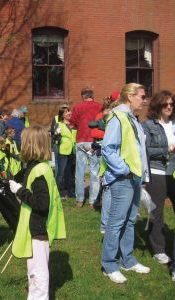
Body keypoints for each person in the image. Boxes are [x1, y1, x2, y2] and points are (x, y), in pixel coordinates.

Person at [8, 125, 66, 300]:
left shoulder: (40, 170)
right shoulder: (35, 166)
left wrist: (20, 191)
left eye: (23, 142)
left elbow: (41, 203)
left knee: (38, 272)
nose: (20, 146)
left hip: (38, 229)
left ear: (30, 145)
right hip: (34, 228)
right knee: (33, 270)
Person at [100, 83, 150, 284]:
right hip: (123, 179)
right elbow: (108, 148)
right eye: (142, 96)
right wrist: (124, 169)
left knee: (129, 221)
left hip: (134, 178)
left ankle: (127, 260)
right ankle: (109, 264)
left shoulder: (131, 119)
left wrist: (139, 174)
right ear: (130, 96)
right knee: (116, 222)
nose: (144, 99)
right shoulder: (118, 118)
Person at [142, 90, 175, 266]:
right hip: (157, 173)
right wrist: (166, 150)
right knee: (157, 213)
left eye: (171, 104)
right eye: (165, 104)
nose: (169, 107)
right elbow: (145, 150)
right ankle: (159, 250)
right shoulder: (148, 126)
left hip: (174, 172)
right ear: (157, 106)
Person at [88, 94, 120, 233]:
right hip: (102, 150)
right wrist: (109, 134)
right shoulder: (102, 115)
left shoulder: (119, 115)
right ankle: (96, 205)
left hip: (112, 152)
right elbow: (94, 132)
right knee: (102, 181)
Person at [69, 88, 102, 208]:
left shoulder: (78, 107)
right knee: (94, 171)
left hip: (81, 141)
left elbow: (73, 124)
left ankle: (79, 200)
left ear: (83, 96)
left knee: (80, 171)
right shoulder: (99, 106)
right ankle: (92, 201)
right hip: (94, 142)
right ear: (92, 96)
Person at [52, 106, 75, 199]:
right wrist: (57, 135)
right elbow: (54, 138)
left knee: (70, 173)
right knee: (61, 173)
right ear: (62, 115)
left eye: (69, 111)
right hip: (63, 151)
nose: (69, 113)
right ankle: (59, 193)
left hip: (72, 151)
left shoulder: (73, 124)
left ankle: (70, 192)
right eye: (66, 112)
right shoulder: (59, 124)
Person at [50, 104, 70, 177]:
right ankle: (58, 184)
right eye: (65, 111)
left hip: (67, 146)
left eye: (68, 110)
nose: (67, 113)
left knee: (67, 167)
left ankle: (64, 183)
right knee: (58, 166)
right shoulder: (56, 118)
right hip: (58, 144)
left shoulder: (70, 120)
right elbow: (53, 131)